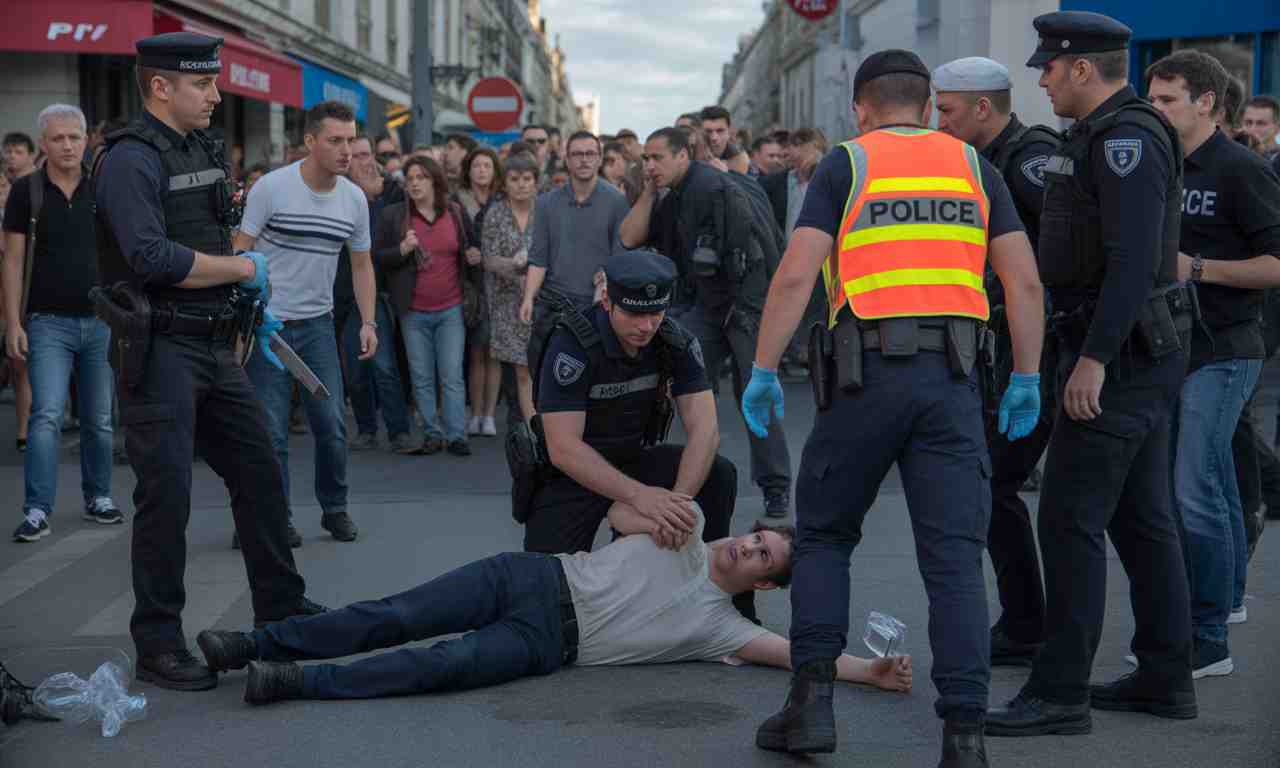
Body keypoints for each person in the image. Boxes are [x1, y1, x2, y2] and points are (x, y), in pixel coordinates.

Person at [741, 49, 1045, 765]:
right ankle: (965, 737)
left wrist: (760, 369)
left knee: (824, 538)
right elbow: (1024, 284)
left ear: (861, 107)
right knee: (953, 562)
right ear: (926, 100)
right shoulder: (976, 167)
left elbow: (793, 276)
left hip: (863, 380)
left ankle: (811, 707)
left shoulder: (847, 164)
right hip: (954, 382)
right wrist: (1027, 377)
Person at [983, 12, 1198, 737]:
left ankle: (1059, 690)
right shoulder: (1097, 135)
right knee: (1141, 520)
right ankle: (1166, 675)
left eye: (1048, 67)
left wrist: (1095, 361)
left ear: (1081, 68)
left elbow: (1136, 261)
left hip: (1121, 356)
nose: (1040, 79)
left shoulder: (1129, 137)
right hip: (1126, 352)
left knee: (1070, 520)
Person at [94, 31, 324, 691]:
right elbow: (151, 258)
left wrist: (241, 291)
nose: (216, 94)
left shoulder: (198, 146)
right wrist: (244, 266)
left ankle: (281, 609)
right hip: (161, 346)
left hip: (215, 345)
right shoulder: (129, 159)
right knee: (166, 499)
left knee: (260, 471)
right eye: (203, 84)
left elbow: (209, 226)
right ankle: (158, 643)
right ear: (161, 87)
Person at [195, 504, 913, 706]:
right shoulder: (683, 527)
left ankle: (290, 681)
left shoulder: (719, 627)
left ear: (763, 586)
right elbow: (624, 510)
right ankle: (254, 644)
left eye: (762, 557)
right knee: (393, 614)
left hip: (548, 645)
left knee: (433, 667)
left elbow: (796, 656)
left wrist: (867, 673)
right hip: (531, 578)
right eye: (758, 536)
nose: (748, 548)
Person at [524, 249, 757, 625]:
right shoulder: (572, 344)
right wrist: (640, 498)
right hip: (573, 475)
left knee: (718, 474)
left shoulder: (673, 339)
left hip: (633, 459)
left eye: (656, 313)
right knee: (540, 605)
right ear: (606, 301)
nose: (647, 326)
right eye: (634, 313)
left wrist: (677, 507)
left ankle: (723, 605)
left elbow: (706, 430)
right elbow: (563, 448)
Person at [1145, 50, 1280, 674]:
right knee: (1214, 486)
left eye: (1168, 99)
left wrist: (1196, 269)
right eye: (1154, 98)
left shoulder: (1240, 169)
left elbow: (1276, 265)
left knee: (1192, 489)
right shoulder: (1161, 162)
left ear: (1206, 102)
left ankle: (1205, 640)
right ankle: (1220, 607)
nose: (1156, 109)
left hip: (1227, 349)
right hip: (1175, 347)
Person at [932, 56, 1061, 668]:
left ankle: (1029, 625)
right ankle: (1030, 622)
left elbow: (1060, 253)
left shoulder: (1030, 159)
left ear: (982, 108)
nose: (939, 120)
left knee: (996, 485)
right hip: (1010, 345)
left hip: (1044, 349)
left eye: (947, 109)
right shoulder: (974, 164)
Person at [620, 127, 793, 519]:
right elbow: (629, 238)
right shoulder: (671, 196)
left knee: (755, 394)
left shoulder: (717, 189)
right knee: (687, 391)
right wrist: (648, 193)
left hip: (743, 307)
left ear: (683, 156)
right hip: (705, 307)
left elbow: (756, 254)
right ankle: (682, 480)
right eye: (645, 158)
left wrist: (747, 314)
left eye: (657, 158)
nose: (649, 165)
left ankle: (776, 486)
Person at [236, 101, 376, 545]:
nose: (346, 150)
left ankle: (334, 509)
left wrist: (368, 322)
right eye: (335, 141)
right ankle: (275, 518)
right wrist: (244, 318)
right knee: (271, 432)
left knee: (332, 424)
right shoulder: (271, 189)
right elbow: (239, 254)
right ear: (310, 142)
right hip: (267, 328)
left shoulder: (354, 199)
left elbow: (361, 266)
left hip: (317, 326)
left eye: (350, 140)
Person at [4, 104, 121, 543]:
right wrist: (13, 322)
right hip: (46, 322)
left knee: (100, 418)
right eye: (58, 138)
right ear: (43, 145)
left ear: (86, 139)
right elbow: (12, 262)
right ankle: (36, 509)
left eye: (75, 136)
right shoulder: (26, 192)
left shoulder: (104, 188)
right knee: (47, 415)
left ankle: (100, 497)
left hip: (100, 322)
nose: (68, 145)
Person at [374, 156, 476, 456]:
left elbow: (469, 247)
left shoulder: (454, 213)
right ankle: (432, 433)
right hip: (413, 310)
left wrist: (473, 255)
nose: (415, 183)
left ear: (435, 181)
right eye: (410, 178)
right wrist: (402, 249)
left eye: (421, 177)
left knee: (451, 373)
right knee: (421, 375)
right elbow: (378, 257)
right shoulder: (396, 216)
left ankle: (457, 435)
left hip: (451, 307)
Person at [522, 131, 629, 386]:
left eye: (590, 153)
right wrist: (527, 298)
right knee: (544, 377)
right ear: (566, 159)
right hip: (552, 306)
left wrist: (605, 282)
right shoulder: (547, 203)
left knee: (593, 382)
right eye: (577, 154)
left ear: (600, 158)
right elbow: (538, 258)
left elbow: (619, 257)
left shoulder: (616, 201)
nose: (584, 160)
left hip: (596, 307)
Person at [341, 135, 414, 454]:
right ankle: (367, 428)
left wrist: (376, 197)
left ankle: (399, 430)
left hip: (376, 293)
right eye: (358, 156)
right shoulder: (338, 195)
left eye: (368, 154)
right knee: (354, 370)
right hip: (342, 295)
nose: (366, 161)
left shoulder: (390, 193)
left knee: (384, 367)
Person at [480, 153, 539, 421]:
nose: (521, 185)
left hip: (542, 299)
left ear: (536, 181)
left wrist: (535, 267)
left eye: (527, 179)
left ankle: (544, 424)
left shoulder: (545, 211)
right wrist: (514, 265)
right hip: (506, 302)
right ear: (505, 183)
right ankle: (533, 428)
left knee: (539, 367)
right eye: (514, 179)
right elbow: (488, 259)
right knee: (521, 369)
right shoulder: (496, 213)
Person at [454, 146, 503, 437]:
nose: (482, 171)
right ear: (468, 170)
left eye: (487, 166)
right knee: (475, 352)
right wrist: (465, 253)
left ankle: (489, 415)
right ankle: (475, 413)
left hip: (499, 283)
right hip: (469, 284)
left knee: (494, 351)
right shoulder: (458, 202)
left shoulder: (503, 200)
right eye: (476, 166)